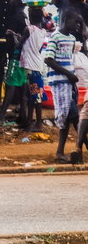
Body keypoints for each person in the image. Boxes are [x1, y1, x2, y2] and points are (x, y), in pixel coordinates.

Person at [44, 10, 83, 163]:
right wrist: (68, 74)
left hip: (69, 83)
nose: (78, 25)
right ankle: (72, 151)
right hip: (59, 82)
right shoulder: (55, 37)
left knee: (69, 118)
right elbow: (48, 59)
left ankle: (61, 152)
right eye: (76, 22)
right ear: (66, 20)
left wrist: (72, 79)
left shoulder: (72, 38)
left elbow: (68, 59)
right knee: (74, 117)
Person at [15, 7, 48, 131]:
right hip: (36, 66)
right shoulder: (42, 31)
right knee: (34, 96)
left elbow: (20, 44)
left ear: (30, 17)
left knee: (34, 96)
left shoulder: (28, 29)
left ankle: (38, 123)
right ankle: (30, 122)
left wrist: (16, 40)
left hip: (29, 66)